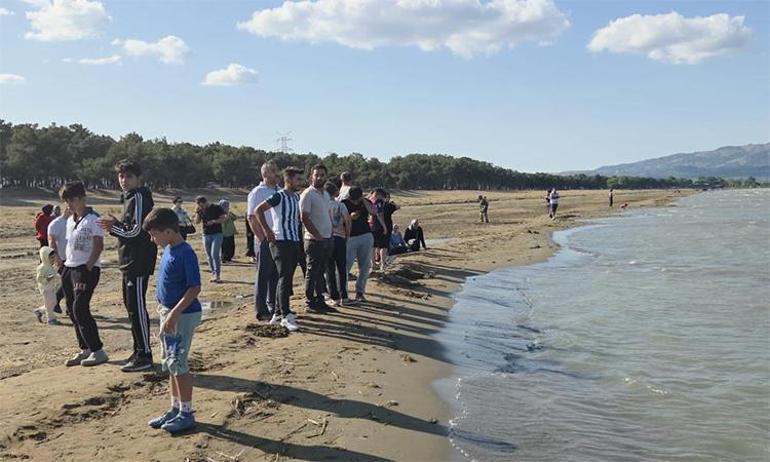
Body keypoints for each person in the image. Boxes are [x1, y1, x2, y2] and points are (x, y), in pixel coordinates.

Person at [143, 208, 202, 435]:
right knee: (170, 363)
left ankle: (186, 413)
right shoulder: (168, 249)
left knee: (178, 363)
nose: (152, 239)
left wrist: (174, 314)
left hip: (182, 315)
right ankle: (175, 408)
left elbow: (195, 287)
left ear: (168, 231)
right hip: (168, 313)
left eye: (154, 234)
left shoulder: (185, 253)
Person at [97, 159, 157, 372]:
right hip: (130, 261)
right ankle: (139, 351)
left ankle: (145, 355)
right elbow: (130, 228)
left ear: (139, 178)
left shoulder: (139, 197)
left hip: (138, 262)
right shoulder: (131, 197)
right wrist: (117, 225)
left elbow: (137, 232)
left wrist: (113, 228)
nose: (123, 180)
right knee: (132, 308)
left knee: (138, 308)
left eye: (128, 176)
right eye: (121, 176)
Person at [59, 181, 108, 367]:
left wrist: (88, 266)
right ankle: (84, 349)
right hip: (69, 267)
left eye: (72, 200)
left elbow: (98, 245)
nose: (69, 204)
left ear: (82, 198)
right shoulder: (71, 220)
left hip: (85, 269)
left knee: (80, 307)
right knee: (72, 309)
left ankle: (98, 350)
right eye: (66, 201)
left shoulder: (94, 218)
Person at [254, 167, 304, 332]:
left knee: (285, 277)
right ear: (288, 180)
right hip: (280, 241)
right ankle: (285, 315)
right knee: (284, 277)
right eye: (297, 179)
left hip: (294, 240)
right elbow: (258, 210)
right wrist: (268, 231)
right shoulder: (279, 196)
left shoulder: (296, 197)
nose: (299, 182)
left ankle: (277, 312)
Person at [247, 161, 280, 321]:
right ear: (266, 174)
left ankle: (273, 304)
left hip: (279, 239)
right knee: (263, 275)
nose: (277, 174)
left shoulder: (279, 191)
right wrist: (262, 238)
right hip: (265, 240)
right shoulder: (257, 192)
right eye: (274, 171)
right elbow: (252, 218)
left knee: (275, 274)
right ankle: (261, 309)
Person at [300, 164, 335, 313]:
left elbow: (327, 214)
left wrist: (331, 231)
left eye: (322, 175)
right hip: (314, 240)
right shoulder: (308, 194)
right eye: (316, 175)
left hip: (327, 238)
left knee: (321, 272)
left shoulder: (326, 194)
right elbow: (304, 217)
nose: (319, 177)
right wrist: (316, 235)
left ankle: (320, 300)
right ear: (311, 177)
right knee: (312, 272)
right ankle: (310, 301)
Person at [343, 186, 381, 302]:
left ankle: (360, 292)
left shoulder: (365, 202)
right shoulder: (344, 203)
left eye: (357, 199)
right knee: (346, 266)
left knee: (364, 266)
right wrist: (350, 217)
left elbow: (374, 212)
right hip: (350, 237)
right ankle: (343, 293)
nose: (355, 202)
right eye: (353, 199)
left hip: (365, 235)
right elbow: (338, 218)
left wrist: (363, 200)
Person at [325, 181, 351, 306]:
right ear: (335, 192)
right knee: (341, 268)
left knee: (329, 269)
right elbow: (348, 220)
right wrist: (347, 234)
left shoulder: (323, 206)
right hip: (340, 237)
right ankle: (344, 296)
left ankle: (334, 296)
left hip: (327, 238)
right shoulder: (340, 205)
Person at [194, 196, 226, 283]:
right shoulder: (200, 210)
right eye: (199, 206)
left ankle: (217, 275)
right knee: (209, 255)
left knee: (214, 254)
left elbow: (223, 218)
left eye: (202, 205)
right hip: (206, 234)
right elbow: (196, 222)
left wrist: (214, 221)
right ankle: (213, 273)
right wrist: (197, 213)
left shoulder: (216, 208)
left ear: (205, 202)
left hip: (217, 234)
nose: (201, 207)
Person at [47, 205, 69, 314]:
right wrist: (57, 257)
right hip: (62, 259)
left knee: (70, 284)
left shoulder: (75, 222)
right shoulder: (56, 223)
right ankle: (53, 303)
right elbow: (51, 242)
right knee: (68, 284)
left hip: (73, 258)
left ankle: (68, 307)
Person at [33, 246, 62, 325]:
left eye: (53, 258)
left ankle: (39, 311)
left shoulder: (50, 267)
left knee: (53, 302)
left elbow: (54, 274)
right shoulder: (41, 267)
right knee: (49, 304)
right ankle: (51, 319)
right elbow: (39, 279)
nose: (53, 260)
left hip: (51, 288)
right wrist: (49, 278)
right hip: (46, 289)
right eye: (51, 258)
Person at [219, 199, 238, 263]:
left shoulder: (229, 213)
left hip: (231, 233)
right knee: (225, 247)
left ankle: (229, 258)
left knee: (231, 246)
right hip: (224, 234)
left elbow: (235, 218)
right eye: (226, 206)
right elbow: (223, 222)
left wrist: (230, 213)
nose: (227, 208)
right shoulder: (220, 214)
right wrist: (226, 215)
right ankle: (224, 259)